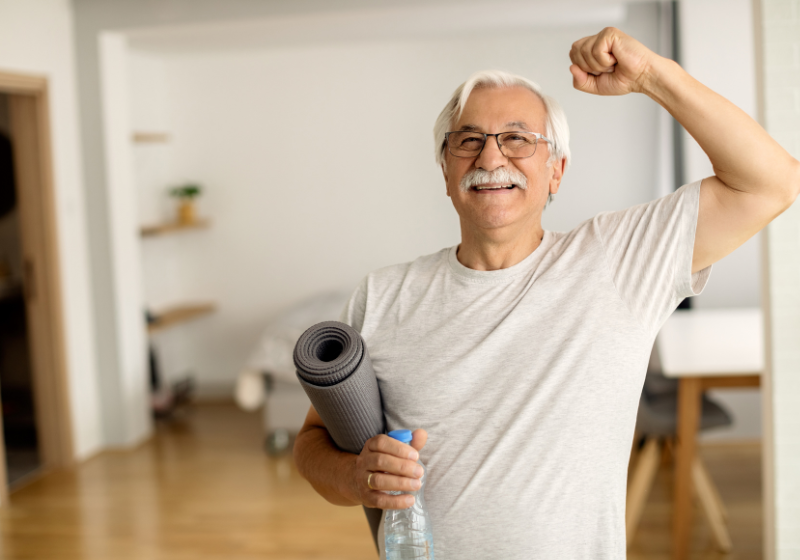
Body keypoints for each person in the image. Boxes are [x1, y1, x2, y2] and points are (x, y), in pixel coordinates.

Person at [293, 27, 800, 559]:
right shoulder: (383, 297)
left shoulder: (618, 261)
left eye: (518, 139)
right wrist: (355, 476)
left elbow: (772, 181)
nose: (490, 158)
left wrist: (652, 75)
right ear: (445, 170)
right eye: (468, 140)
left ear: (556, 171)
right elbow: (310, 446)